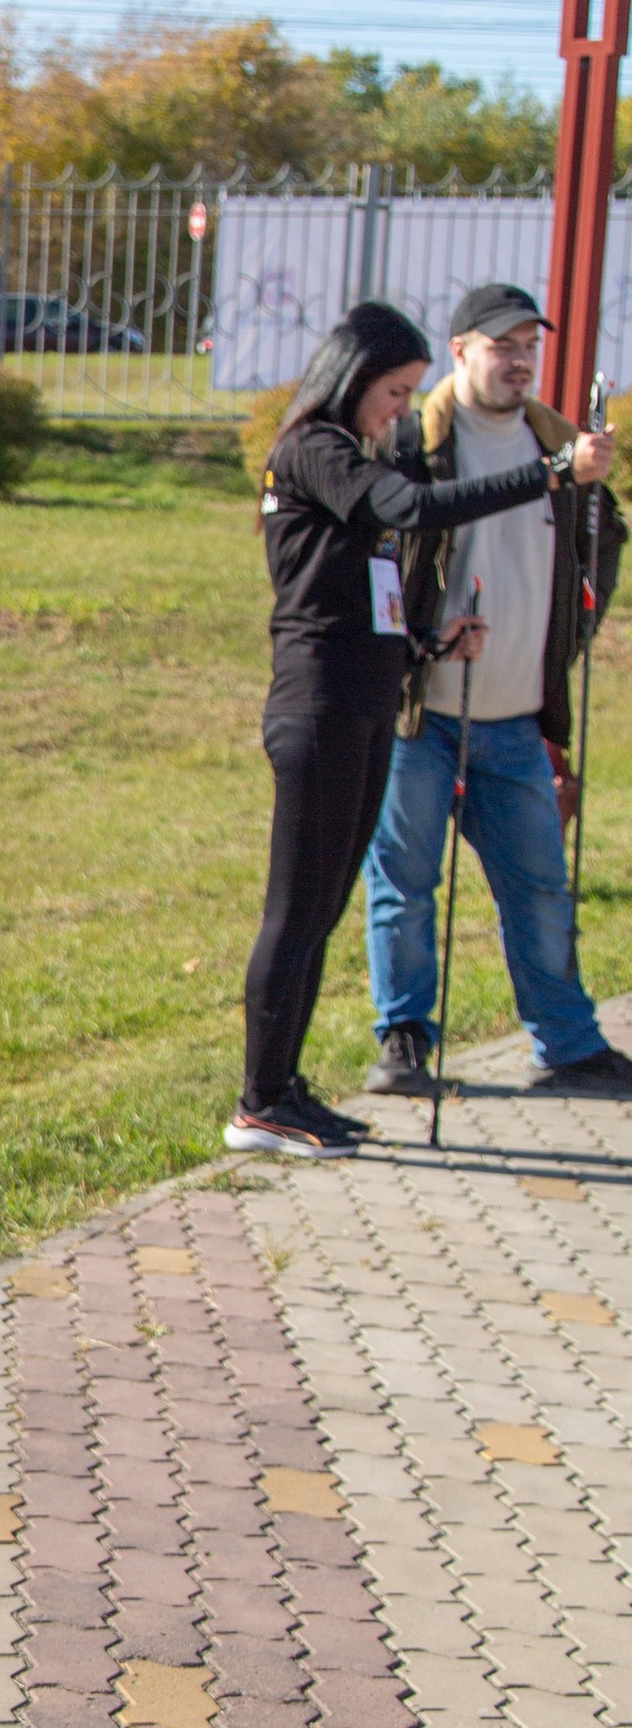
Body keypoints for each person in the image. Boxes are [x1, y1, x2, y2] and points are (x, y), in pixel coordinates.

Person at [227, 300, 591, 1159]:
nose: (400, 411)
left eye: (409, 394)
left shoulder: (351, 458)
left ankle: (285, 1087)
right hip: (315, 710)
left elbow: (362, 596)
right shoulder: (315, 449)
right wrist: (552, 472)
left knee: (320, 911)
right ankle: (256, 1102)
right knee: (295, 911)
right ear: (352, 379)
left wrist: (427, 641)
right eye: (393, 392)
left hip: (364, 705)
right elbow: (412, 507)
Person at [361, 280, 628, 1100]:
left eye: (528, 346)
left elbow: (602, 547)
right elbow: (376, 559)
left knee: (540, 889)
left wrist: (563, 646)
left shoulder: (562, 445)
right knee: (404, 887)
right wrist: (403, 651)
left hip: (515, 718)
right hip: (421, 714)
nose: (518, 360)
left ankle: (569, 1044)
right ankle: (404, 1041)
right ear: (461, 350)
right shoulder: (414, 442)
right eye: (501, 344)